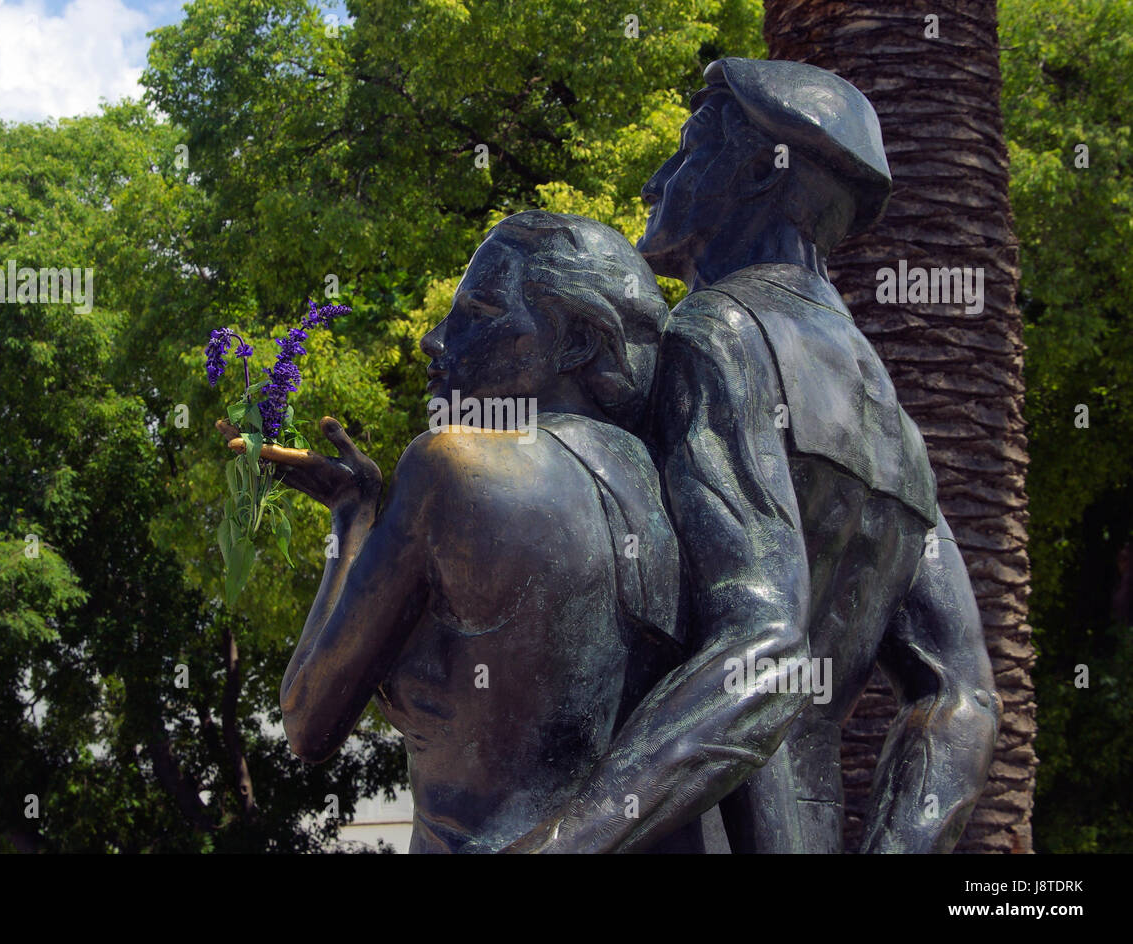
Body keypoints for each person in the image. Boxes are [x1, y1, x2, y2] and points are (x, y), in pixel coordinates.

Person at [512, 58, 1002, 854]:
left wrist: (558, 845)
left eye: (685, 150)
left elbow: (763, 646)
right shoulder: (891, 420)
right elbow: (962, 697)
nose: (653, 182)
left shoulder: (719, 336)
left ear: (754, 172)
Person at [221, 211, 684, 852]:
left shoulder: (452, 463)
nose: (434, 341)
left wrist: (352, 515)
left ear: (577, 343)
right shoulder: (672, 490)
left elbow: (307, 721)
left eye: (479, 311)